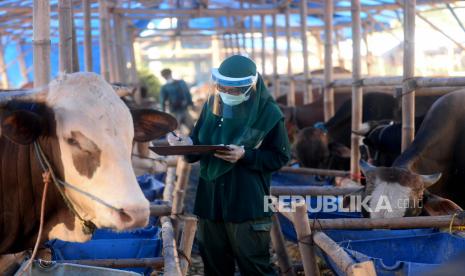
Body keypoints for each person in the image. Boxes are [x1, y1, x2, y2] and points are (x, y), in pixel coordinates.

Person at [167, 55, 291, 275]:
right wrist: (185, 145)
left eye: (236, 89)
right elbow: (197, 144)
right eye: (224, 87)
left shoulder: (269, 114)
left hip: (247, 203)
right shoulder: (213, 105)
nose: (229, 93)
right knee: (214, 266)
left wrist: (246, 155)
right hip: (210, 201)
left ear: (252, 85)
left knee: (254, 266)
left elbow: (279, 157)